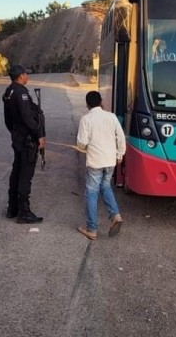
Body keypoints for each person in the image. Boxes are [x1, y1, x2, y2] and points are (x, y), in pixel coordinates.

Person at [76, 90, 126, 240]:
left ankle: (92, 229)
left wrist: (84, 148)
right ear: (101, 102)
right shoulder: (111, 117)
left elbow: (82, 143)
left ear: (87, 104)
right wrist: (119, 154)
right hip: (110, 160)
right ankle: (115, 216)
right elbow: (121, 137)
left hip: (95, 162)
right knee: (105, 187)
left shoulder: (86, 119)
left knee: (91, 193)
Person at [2, 64, 46, 224]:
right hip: (27, 139)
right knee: (25, 175)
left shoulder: (9, 91)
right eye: (26, 74)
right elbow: (28, 117)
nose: (28, 76)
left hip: (18, 137)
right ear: (20, 76)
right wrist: (39, 135)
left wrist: (14, 132)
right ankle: (24, 211)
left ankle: (12, 208)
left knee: (17, 171)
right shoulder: (21, 92)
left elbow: (7, 119)